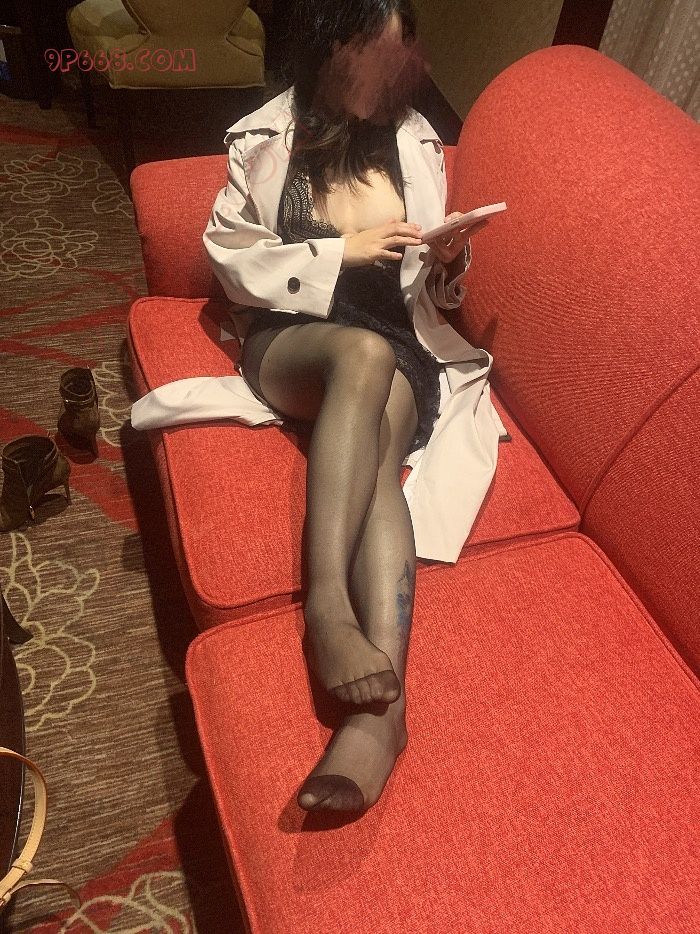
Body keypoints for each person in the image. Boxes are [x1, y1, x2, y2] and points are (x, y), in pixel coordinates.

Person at [206, 0, 479, 815]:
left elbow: (436, 294)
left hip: (400, 346)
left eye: (401, 56)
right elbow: (230, 259)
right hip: (298, 341)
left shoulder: (417, 140)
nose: (390, 73)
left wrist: (448, 260)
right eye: (372, 53)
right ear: (328, 49)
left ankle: (380, 719)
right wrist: (340, 251)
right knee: (357, 353)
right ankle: (325, 607)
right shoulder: (266, 136)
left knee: (379, 455)